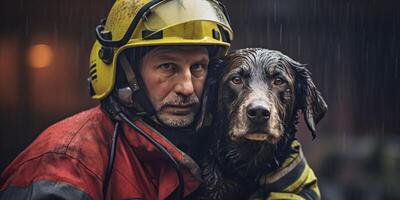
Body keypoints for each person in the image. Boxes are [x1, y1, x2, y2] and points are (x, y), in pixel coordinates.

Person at [0, 0, 320, 199]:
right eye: (167, 66)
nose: (186, 86)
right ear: (126, 75)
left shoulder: (212, 140)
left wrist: (293, 181)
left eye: (198, 68)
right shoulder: (64, 164)